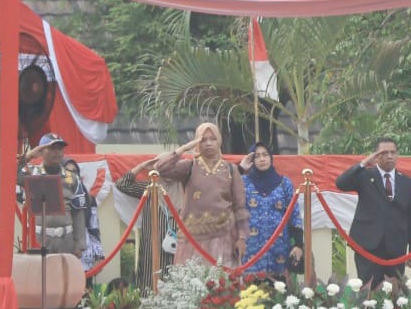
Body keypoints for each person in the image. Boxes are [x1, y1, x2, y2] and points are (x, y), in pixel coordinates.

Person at [155, 122, 249, 268]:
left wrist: (242, 238)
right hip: (192, 239)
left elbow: (240, 207)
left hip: (224, 237)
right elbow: (161, 168)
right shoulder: (190, 166)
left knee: (222, 284)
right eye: (203, 139)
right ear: (197, 142)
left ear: (219, 141)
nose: (209, 143)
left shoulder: (231, 169)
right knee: (193, 284)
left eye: (213, 139)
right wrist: (185, 148)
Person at [335, 137, 411, 289]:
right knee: (368, 294)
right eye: (384, 153)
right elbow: (341, 183)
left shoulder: (407, 182)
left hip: (396, 248)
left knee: (395, 294)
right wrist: (364, 163)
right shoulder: (365, 176)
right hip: (368, 247)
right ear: (376, 155)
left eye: (393, 152)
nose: (389, 156)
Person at [20, 133, 98, 263]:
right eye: (51, 148)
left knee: (63, 280)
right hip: (39, 238)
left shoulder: (72, 178)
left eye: (60, 148)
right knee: (39, 280)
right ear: (41, 151)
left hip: (65, 240)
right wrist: (29, 156)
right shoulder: (32, 174)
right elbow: (9, 172)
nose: (57, 152)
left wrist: (79, 244)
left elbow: (78, 212)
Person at [237, 141, 304, 279]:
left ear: (271, 157)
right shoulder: (242, 182)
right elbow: (225, 188)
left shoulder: (284, 183)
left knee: (279, 296)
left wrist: (298, 244)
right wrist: (240, 168)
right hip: (251, 250)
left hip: (279, 250)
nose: (262, 159)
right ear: (251, 160)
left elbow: (294, 215)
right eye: (257, 156)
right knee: (252, 296)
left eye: (265, 155)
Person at [115, 156, 174, 291]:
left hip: (176, 246)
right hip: (151, 246)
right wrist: (142, 166)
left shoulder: (184, 188)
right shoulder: (149, 188)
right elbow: (122, 184)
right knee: (149, 283)